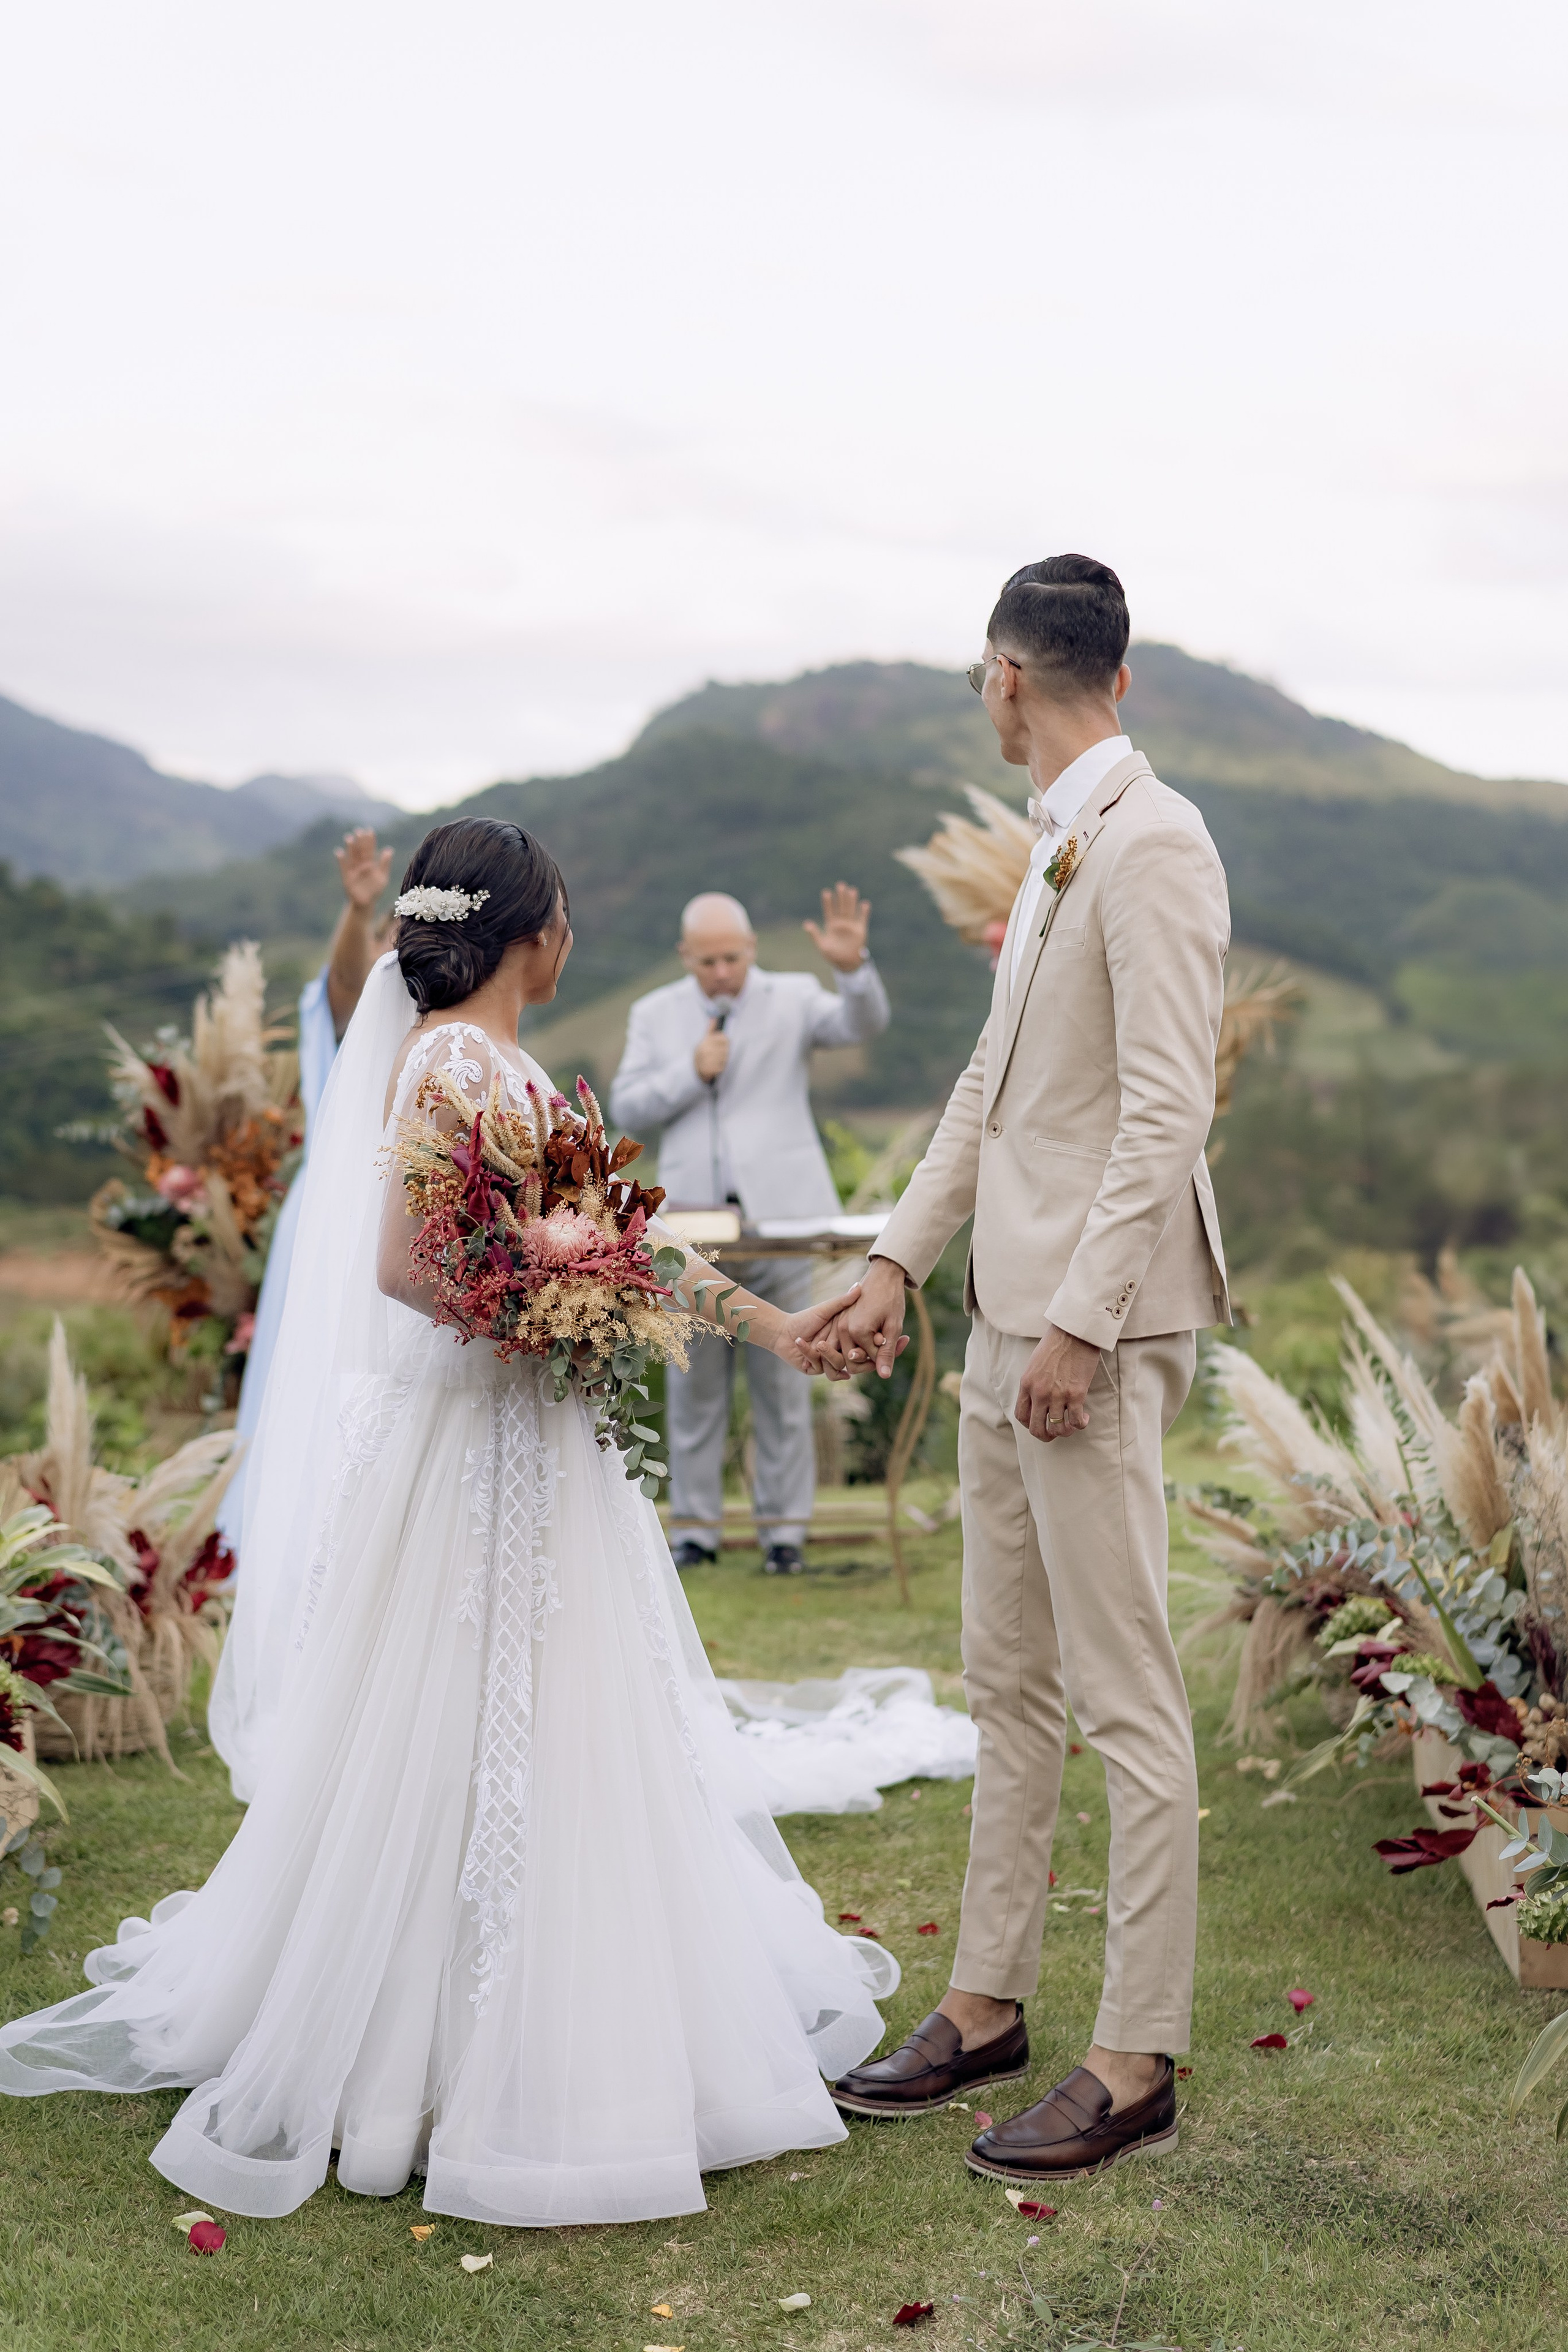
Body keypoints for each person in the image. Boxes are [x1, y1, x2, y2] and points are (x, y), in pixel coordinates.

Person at [0, 818, 899, 2226]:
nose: (573, 932)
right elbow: (405, 1265)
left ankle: (571, 2009)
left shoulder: (516, 1064)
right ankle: (420, 2049)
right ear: (526, 928)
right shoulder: (447, 1060)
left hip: (537, 1441)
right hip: (475, 1440)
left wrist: (775, 1328)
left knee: (569, 1721)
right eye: (563, 911)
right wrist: (552, 1306)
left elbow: (619, 1232)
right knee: (452, 1713)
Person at [821, 556, 1231, 2185]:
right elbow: (993, 1090)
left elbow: (1164, 1110)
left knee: (1124, 1692)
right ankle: (986, 2001)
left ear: (1008, 678)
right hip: (1003, 1322)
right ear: (1110, 674)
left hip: (1091, 1336)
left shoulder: (1158, 839)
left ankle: (1136, 2054)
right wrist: (888, 1263)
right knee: (1006, 1679)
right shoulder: (1064, 840)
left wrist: (1078, 1319)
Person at [609, 886, 889, 1574]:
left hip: (783, 1221)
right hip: (692, 1235)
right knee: (695, 1386)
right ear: (686, 957)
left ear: (750, 951)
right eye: (706, 962)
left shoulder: (793, 998)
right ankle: (697, 1533)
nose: (721, 973)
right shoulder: (655, 1014)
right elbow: (627, 1104)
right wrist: (688, 1072)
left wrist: (852, 969)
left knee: (783, 1386)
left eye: (731, 958)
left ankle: (783, 1536)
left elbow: (862, 1023)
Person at [209, 826, 393, 1797]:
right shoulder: (358, 1016)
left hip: (394, 1233)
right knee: (318, 1400)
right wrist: (360, 911)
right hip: (331, 1240)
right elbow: (342, 990)